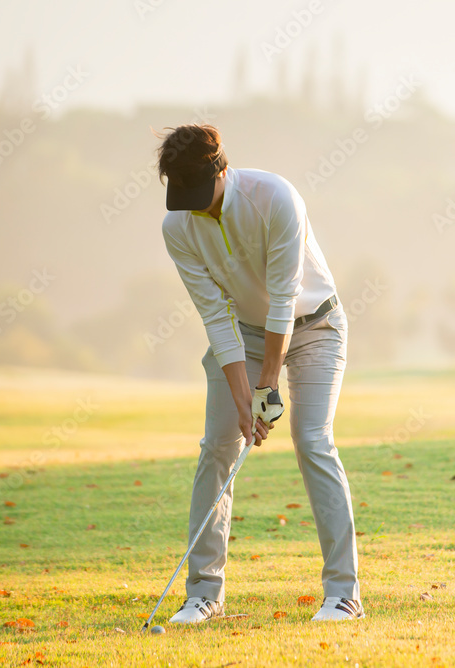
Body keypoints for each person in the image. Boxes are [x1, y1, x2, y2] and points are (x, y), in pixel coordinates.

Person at [155, 124, 363, 624]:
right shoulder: (178, 227)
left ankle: (344, 594)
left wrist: (266, 387)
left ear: (222, 170)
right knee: (219, 447)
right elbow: (214, 317)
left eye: (202, 195)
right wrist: (242, 395)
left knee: (312, 439)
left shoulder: (275, 197)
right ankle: (204, 593)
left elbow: (285, 297)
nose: (198, 209)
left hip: (316, 324)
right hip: (245, 333)